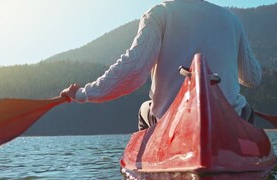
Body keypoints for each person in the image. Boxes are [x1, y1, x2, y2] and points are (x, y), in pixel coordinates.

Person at [61, 0, 261, 130]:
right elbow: (253, 78)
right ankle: (249, 154)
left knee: (144, 109)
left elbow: (134, 70)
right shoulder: (232, 20)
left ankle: (151, 161)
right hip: (228, 123)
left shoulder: (159, 13)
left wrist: (83, 93)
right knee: (246, 108)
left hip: (172, 125)